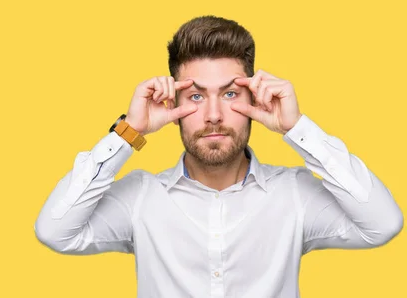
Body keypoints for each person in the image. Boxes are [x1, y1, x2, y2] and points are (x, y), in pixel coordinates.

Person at [33, 15, 404, 298]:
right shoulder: (140, 198)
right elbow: (55, 231)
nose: (213, 114)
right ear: (172, 103)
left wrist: (297, 129)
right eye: (195, 96)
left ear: (254, 99)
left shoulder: (294, 194)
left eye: (229, 94)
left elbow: (383, 224)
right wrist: (130, 131)